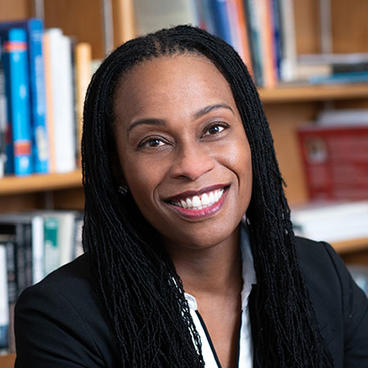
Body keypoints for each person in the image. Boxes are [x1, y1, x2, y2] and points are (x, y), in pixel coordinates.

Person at [14, 25, 368, 368]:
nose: (192, 166)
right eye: (154, 142)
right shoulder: (61, 317)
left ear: (252, 139)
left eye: (214, 129)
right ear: (117, 168)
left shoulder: (321, 275)